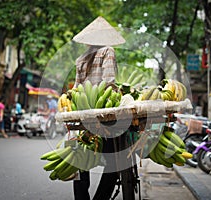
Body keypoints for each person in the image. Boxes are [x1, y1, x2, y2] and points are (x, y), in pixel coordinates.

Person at [71, 16, 125, 200]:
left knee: (81, 161)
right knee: (114, 162)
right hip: (104, 116)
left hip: (84, 114)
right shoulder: (108, 51)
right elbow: (109, 82)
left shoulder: (80, 59)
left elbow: (76, 88)